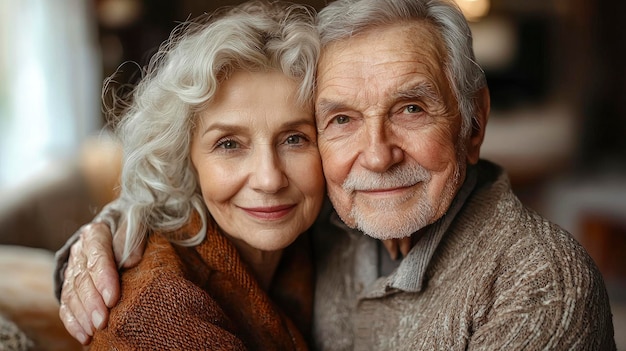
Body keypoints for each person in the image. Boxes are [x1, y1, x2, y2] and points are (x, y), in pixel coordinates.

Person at [56, 0, 617, 349]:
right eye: (343, 119)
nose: (375, 157)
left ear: (474, 123)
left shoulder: (540, 287)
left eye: (411, 109)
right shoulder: (331, 214)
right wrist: (113, 229)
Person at [57, 1, 326, 349]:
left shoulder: (316, 238)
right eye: (229, 144)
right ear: (185, 157)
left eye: (295, 139)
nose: (269, 179)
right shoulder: (158, 310)